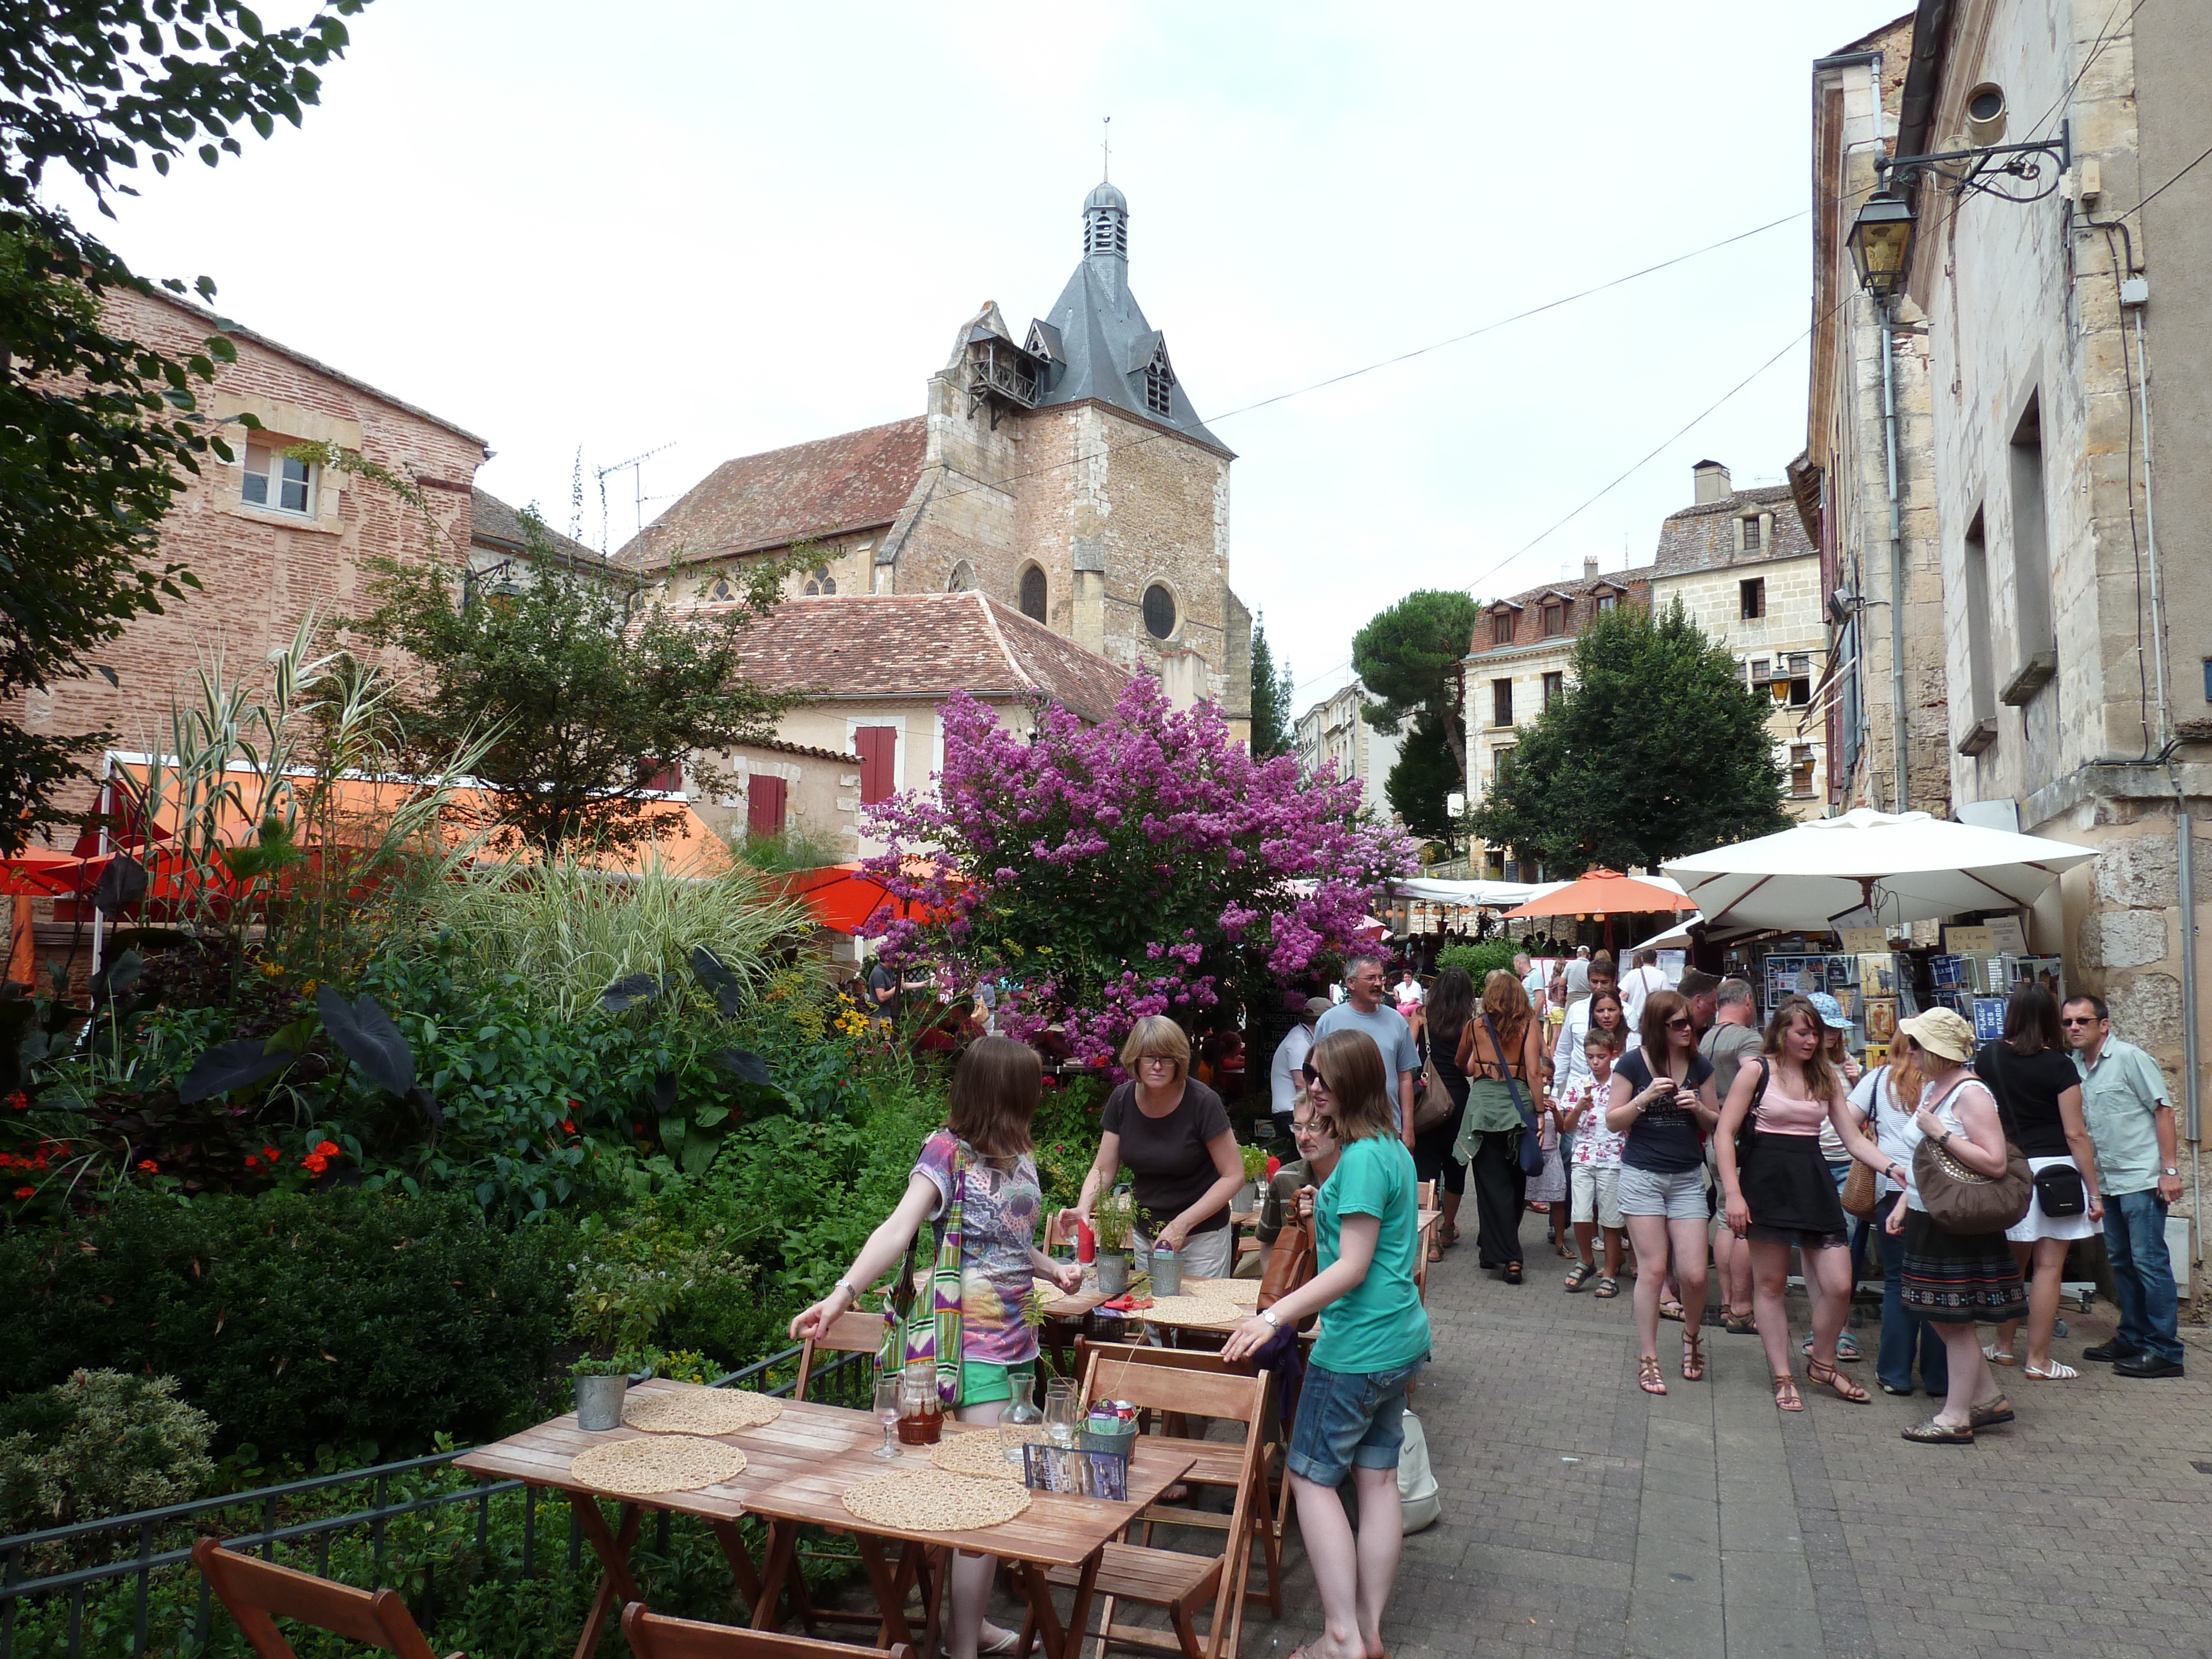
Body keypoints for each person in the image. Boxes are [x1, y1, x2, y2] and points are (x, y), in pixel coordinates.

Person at [790, 1037, 1083, 1659]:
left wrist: (1047, 1269)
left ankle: (969, 1625)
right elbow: (898, 1228)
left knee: (995, 1486)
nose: (1040, 1095)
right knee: (982, 1493)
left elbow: (1008, 1241)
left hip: (1018, 1338)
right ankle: (960, 1646)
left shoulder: (1018, 1153)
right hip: (966, 1341)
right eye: (1030, 1086)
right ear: (1001, 1093)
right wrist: (841, 1296)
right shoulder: (946, 1151)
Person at [1222, 1031, 1431, 1659]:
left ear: (1357, 1083)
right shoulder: (1388, 1149)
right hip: (1397, 1341)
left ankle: (1341, 1636)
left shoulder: (1365, 1156)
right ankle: (1364, 1635)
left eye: (1325, 1077)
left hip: (1362, 1346)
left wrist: (1275, 1317)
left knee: (1309, 1478)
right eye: (1310, 1073)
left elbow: (1354, 1267)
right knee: (1376, 1481)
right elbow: (1372, 1245)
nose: (1313, 1085)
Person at [1717, 997, 1900, 1412]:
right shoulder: (1756, 1071)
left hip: (1812, 1180)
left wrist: (1892, 1168)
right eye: (1804, 1032)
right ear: (1781, 1032)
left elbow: (1853, 1139)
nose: (1812, 1041)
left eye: (1816, 1033)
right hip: (1766, 1180)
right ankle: (1783, 1374)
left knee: (1837, 1284)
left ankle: (1822, 1361)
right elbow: (1724, 1134)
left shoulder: (1825, 1076)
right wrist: (1733, 1193)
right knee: (1772, 1285)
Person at [1887, 1009, 2026, 1444]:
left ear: (1939, 1051)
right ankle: (1987, 1400)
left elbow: (1996, 1161)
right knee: (1942, 1318)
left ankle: (1955, 1417)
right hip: (1930, 1215)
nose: (1911, 1052)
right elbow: (1924, 1163)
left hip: (1957, 1222)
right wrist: (1903, 1204)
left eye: (1918, 1045)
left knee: (1954, 1321)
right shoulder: (1934, 1086)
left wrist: (1942, 1134)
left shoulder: (1972, 1093)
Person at [1977, 984, 2104, 1379]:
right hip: (2056, 1174)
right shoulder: (2060, 1066)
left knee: (2013, 1265)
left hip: (2010, 1167)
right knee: (2049, 1268)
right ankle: (2038, 1359)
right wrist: (2094, 1191)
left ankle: (2002, 1347)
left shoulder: (1989, 1057)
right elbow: (2076, 1133)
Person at [2065, 994, 2186, 1379]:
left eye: (2083, 1021)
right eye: (2068, 1022)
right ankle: (2132, 1337)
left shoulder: (2130, 1058)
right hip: (2109, 1180)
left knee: (2149, 1263)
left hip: (2141, 1178)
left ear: (2104, 1025)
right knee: (2121, 1262)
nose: (2074, 1028)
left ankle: (2166, 1351)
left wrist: (2169, 1171)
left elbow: (2163, 1110)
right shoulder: (2073, 1068)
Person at [1072, 1017, 1245, 1281]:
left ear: (1178, 1061)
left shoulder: (1203, 1103)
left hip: (1202, 1237)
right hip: (1147, 1234)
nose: (1156, 1066)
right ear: (1135, 1060)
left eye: (1166, 1059)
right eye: (1148, 1058)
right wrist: (1084, 1208)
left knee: (1198, 1318)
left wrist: (1182, 1224)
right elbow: (1103, 1168)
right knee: (1151, 1316)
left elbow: (1233, 1176)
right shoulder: (1121, 1099)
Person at [1609, 988, 1720, 1394]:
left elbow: (1716, 1122)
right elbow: (1612, 1120)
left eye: (1690, 1021)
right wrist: (1645, 1097)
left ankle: (1691, 1338)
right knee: (1654, 1270)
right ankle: (1649, 1357)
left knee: (1693, 1274)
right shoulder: (1632, 1062)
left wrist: (1699, 1110)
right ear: (1659, 1027)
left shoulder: (1699, 1064)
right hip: (1642, 1175)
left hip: (1688, 1176)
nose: (1688, 1029)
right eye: (1678, 1024)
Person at [1848, 1045, 1947, 1397]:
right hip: (1941, 1188)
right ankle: (1939, 1378)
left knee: (1898, 1280)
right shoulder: (1945, 1083)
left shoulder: (1877, 1080)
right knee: (1937, 1279)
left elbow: (1843, 1120)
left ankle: (1894, 1374)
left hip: (1892, 1185)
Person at [1454, 969, 1550, 1284]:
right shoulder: (1528, 1025)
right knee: (1513, 1184)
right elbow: (1534, 1073)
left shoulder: (1474, 1026)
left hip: (1482, 1108)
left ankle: (1493, 1251)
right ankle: (1511, 1258)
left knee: (1488, 1186)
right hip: (1517, 1107)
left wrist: (1480, 1067)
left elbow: (1461, 1064)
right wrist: (1540, 1113)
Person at [1701, 978, 1762, 1334]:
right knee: (1741, 1221)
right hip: (1741, 1137)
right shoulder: (1748, 1039)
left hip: (1714, 1135)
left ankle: (1727, 1302)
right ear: (1749, 1001)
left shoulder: (1708, 1037)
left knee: (1726, 1217)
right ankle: (1742, 1305)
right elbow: (1755, 1075)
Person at [1316, 955, 1421, 1147]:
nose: (1379, 984)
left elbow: (1405, 1078)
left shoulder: (1396, 1021)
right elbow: (1317, 1075)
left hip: (1388, 1127)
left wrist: (1408, 1128)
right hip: (1342, 1127)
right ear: (1351, 983)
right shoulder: (1329, 1021)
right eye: (1371, 978)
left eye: (1381, 978)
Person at [1413, 967, 1476, 1259]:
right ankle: (1449, 1227)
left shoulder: (1422, 1016)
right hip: (1459, 1100)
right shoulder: (1470, 1023)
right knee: (1456, 1165)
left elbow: (1410, 1056)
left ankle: (1432, 1238)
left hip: (1427, 1099)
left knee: (1426, 1166)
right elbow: (1469, 1068)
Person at [1561, 1022, 1628, 1296]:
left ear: (1612, 1055)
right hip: (1583, 1157)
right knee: (1580, 1212)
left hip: (1613, 1158)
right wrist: (1578, 1108)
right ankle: (1586, 1260)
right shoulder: (1579, 1086)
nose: (1595, 1062)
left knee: (1611, 1218)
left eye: (1601, 1056)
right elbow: (1567, 1127)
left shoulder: (1621, 1086)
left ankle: (1611, 1268)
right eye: (1590, 1057)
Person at [1249, 1089, 1345, 1277]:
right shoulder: (1285, 1178)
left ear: (1338, 1129)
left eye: (1313, 1126)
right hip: (1296, 1296)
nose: (1303, 1137)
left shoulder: (1359, 1178)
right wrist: (1275, 1295)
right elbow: (1269, 1242)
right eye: (1298, 1127)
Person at [1550, 954, 1624, 1098]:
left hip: (1612, 1092)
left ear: (1614, 982)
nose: (1599, 987)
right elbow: (1564, 1052)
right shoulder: (1576, 1010)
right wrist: (1554, 1088)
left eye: (1604, 982)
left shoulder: (1627, 1012)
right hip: (1577, 1088)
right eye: (1594, 982)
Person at [1269, 997, 1329, 1144]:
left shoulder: (1302, 1037)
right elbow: (1302, 1084)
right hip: (1290, 1115)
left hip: (1294, 1113)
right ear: (1323, 1022)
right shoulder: (1299, 1042)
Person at [1618, 948, 1670, 1032]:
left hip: (1633, 1017)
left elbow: (1623, 995)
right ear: (1656, 961)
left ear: (1642, 959)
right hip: (1652, 1018)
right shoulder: (1662, 975)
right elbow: (1667, 997)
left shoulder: (1632, 974)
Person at [1392, 966, 1426, 1041]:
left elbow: (1415, 999)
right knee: (1395, 1009)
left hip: (1415, 1004)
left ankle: (1407, 1028)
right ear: (1403, 978)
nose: (1407, 979)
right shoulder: (1402, 985)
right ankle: (1398, 1026)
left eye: (1409, 977)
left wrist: (1406, 1006)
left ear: (1412, 978)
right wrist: (1397, 995)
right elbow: (1395, 988)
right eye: (1406, 977)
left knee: (1405, 1010)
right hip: (1404, 1004)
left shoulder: (1416, 986)